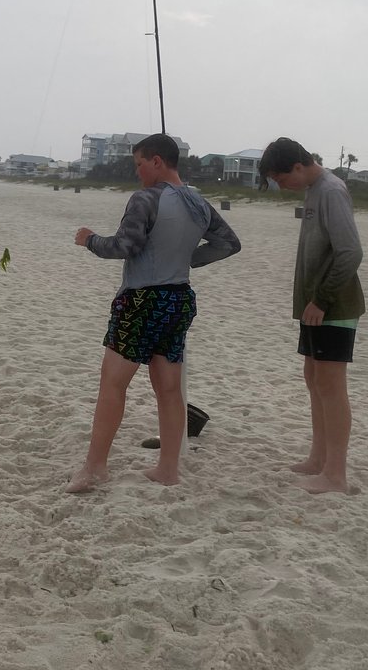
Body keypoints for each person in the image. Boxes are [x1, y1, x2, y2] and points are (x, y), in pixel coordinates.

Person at [67, 133, 241, 492]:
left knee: (113, 384)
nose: (137, 173)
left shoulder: (146, 198)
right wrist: (186, 258)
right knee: (170, 389)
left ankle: (95, 468)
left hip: (142, 300)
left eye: (139, 164)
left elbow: (124, 246)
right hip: (179, 299)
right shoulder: (197, 202)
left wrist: (89, 240)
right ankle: (168, 469)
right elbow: (228, 244)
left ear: (157, 161)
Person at [259, 137, 365, 495]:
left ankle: (336, 473)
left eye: (280, 178)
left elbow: (350, 252)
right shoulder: (313, 191)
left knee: (331, 386)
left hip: (333, 305)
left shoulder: (331, 190)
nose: (280, 185)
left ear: (299, 166)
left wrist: (320, 300)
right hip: (314, 306)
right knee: (314, 379)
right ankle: (319, 459)